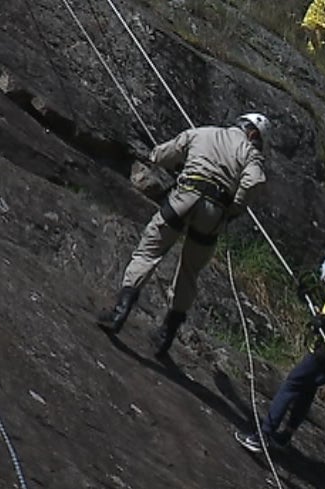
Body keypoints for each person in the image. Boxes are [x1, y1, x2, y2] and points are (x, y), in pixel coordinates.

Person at [96, 113, 270, 356]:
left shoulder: (205, 131)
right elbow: (253, 182)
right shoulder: (250, 153)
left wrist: (162, 158)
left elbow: (162, 154)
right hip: (213, 213)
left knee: (149, 251)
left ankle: (120, 310)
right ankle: (166, 332)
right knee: (189, 271)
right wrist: (234, 208)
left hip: (184, 198)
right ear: (253, 134)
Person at [238, 251, 325, 452]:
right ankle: (285, 435)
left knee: (291, 385)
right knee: (307, 390)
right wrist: (322, 314)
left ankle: (262, 435)